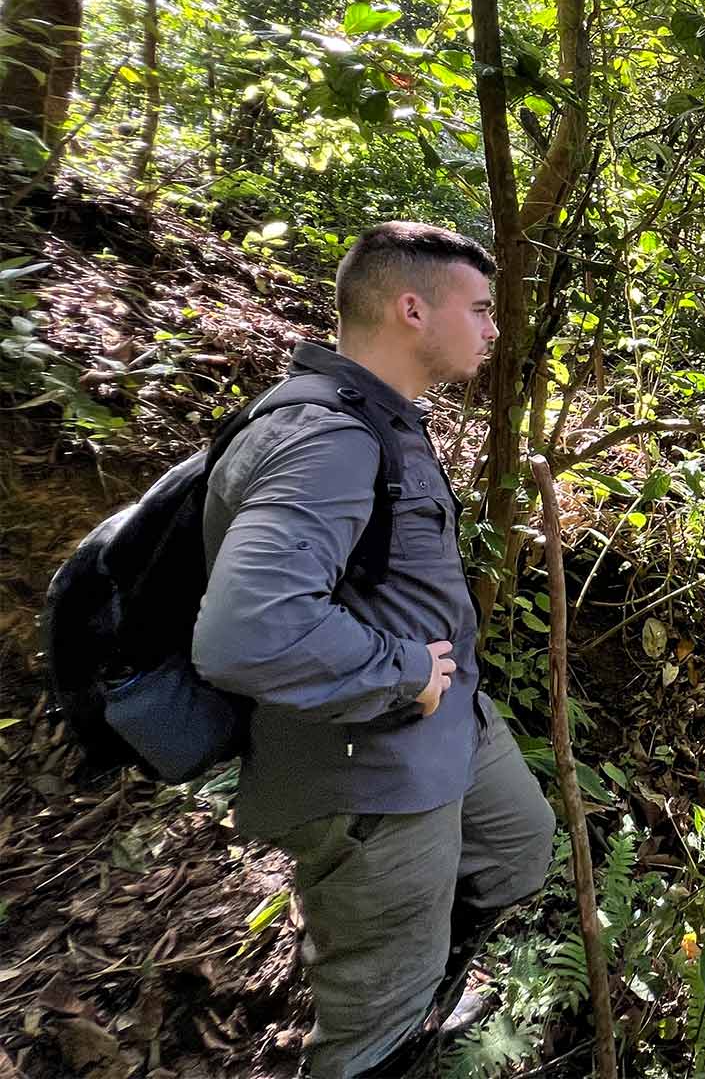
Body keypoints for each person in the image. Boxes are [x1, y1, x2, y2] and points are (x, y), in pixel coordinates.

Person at [192, 222, 555, 1078]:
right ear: (410, 309)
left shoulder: (381, 421)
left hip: (439, 731)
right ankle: (392, 1013)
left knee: (516, 848)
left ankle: (423, 981)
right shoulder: (329, 439)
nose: (495, 329)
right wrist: (401, 673)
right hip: (371, 770)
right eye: (479, 309)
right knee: (370, 1041)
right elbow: (247, 630)